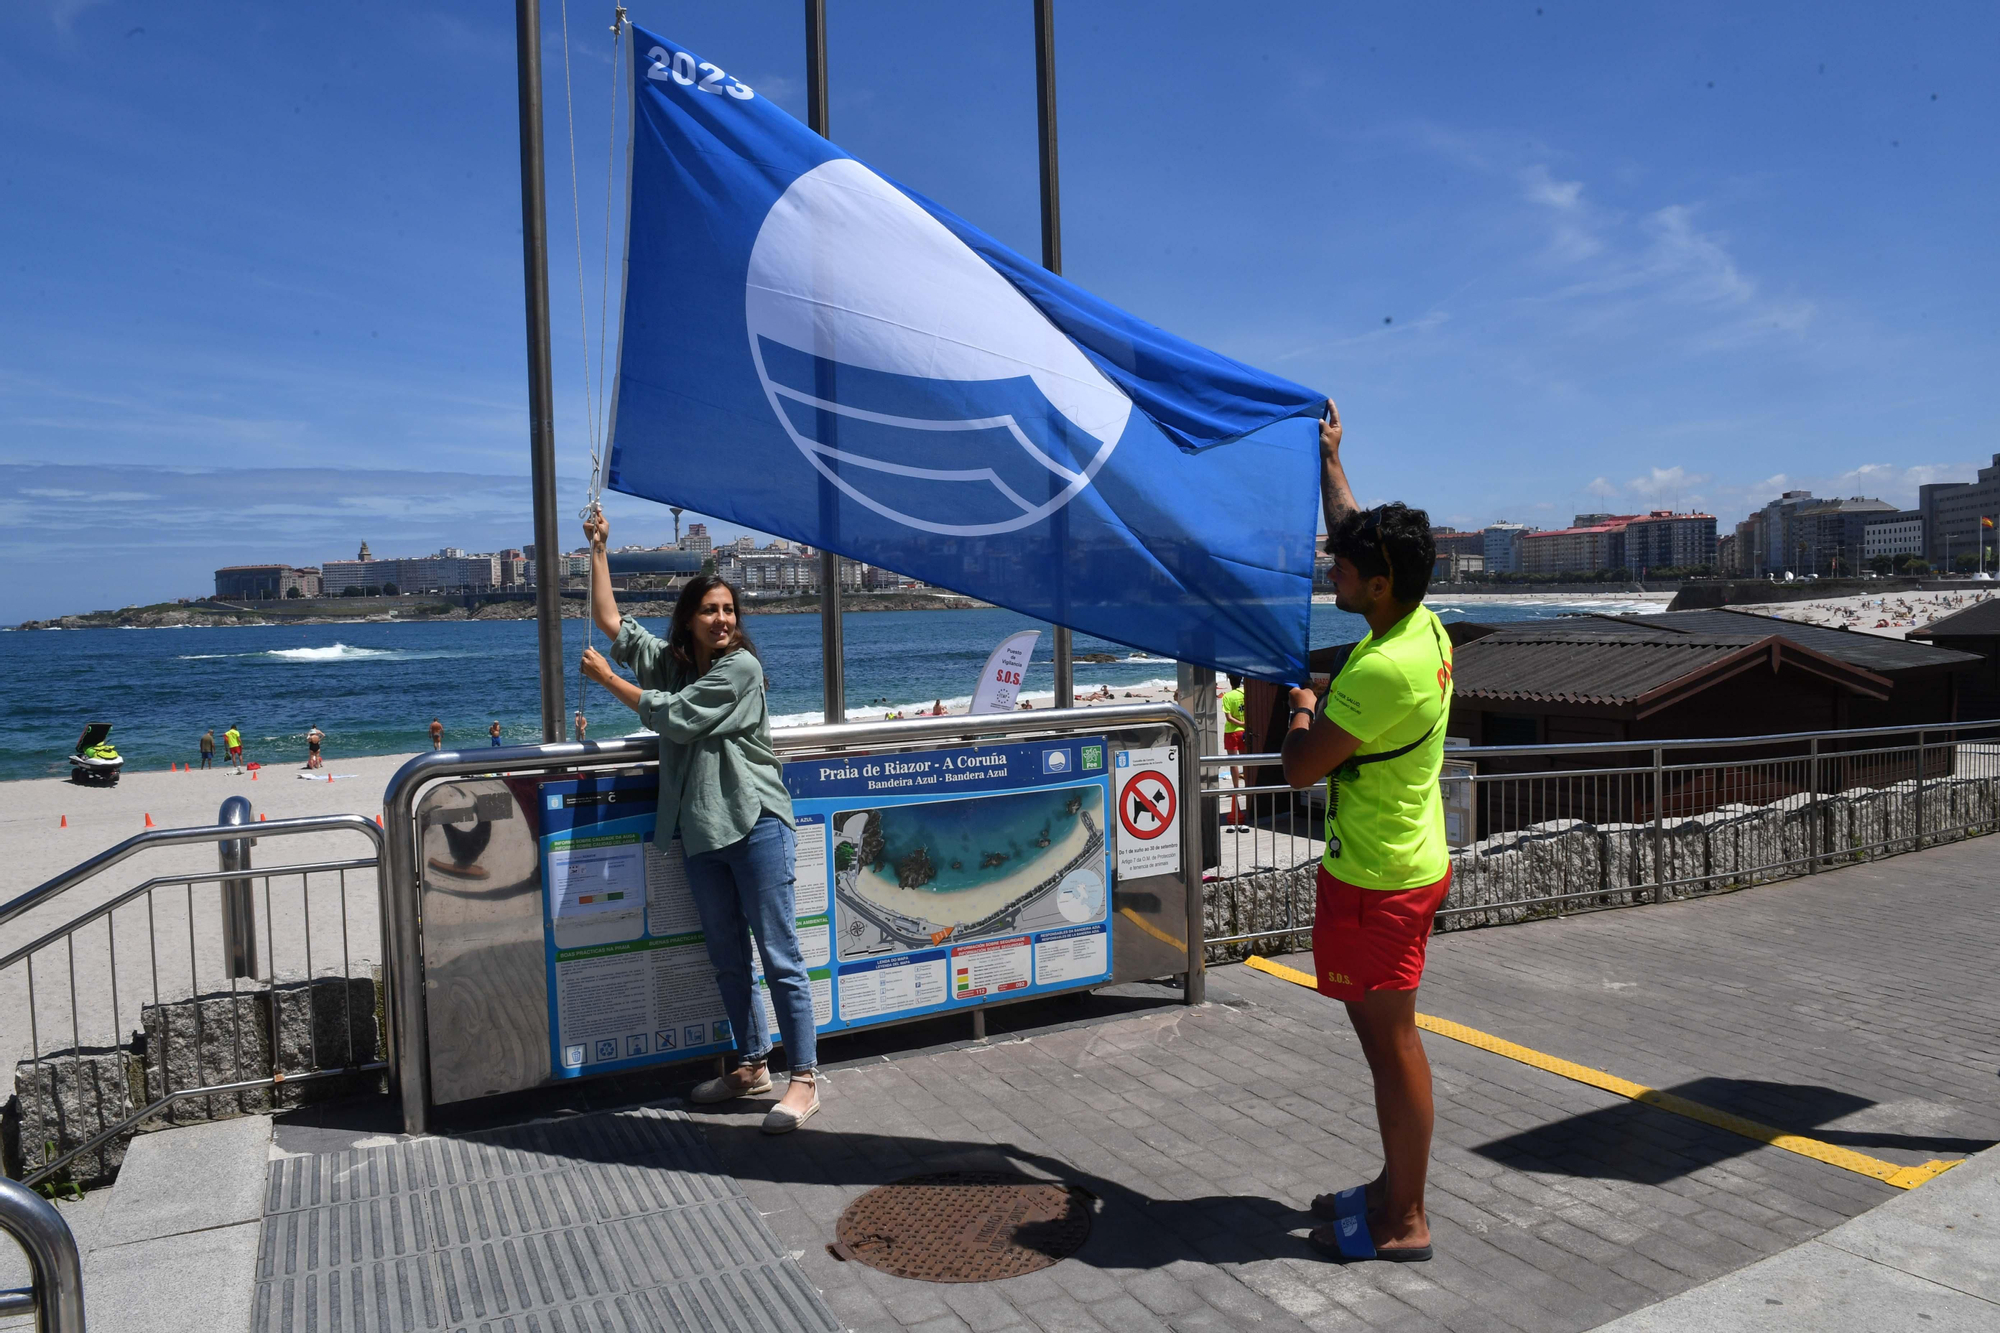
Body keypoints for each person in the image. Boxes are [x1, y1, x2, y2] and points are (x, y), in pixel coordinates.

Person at [578, 510, 820, 1132]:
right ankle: (749, 1065)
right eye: (710, 610)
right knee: (726, 957)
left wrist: (609, 682)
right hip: (702, 830)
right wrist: (599, 550)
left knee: (779, 954)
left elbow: (677, 719)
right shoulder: (679, 664)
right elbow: (611, 622)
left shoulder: (741, 669)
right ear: (688, 619)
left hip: (756, 822)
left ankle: (804, 1078)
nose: (723, 619)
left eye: (729, 610)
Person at [1281, 399, 1451, 1265]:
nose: (1331, 572)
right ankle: (1392, 1188)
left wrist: (1303, 698)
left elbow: (1301, 769)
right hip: (1395, 861)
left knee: (1391, 1048)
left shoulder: (1382, 668)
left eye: (1341, 569)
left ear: (1377, 583)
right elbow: (1354, 524)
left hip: (1382, 876)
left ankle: (1407, 1217)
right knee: (1384, 1041)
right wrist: (1330, 458)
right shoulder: (1413, 617)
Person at [1220, 673, 1248, 830]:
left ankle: (1236, 787)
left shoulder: (1228, 696)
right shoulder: (1245, 694)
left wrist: (1240, 723)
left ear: (1230, 681)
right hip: (1243, 731)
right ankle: (1246, 787)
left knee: (1233, 761)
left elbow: (1229, 718)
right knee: (1245, 761)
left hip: (1232, 731)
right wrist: (1245, 724)